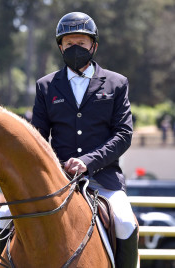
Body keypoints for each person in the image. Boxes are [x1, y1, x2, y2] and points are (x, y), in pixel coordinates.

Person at [31, 12, 138, 268]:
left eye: (81, 42)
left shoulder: (116, 83)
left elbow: (123, 134)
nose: (75, 48)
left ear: (94, 46)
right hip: (58, 180)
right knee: (4, 216)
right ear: (60, 47)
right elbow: (37, 138)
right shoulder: (46, 86)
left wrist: (87, 162)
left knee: (125, 222)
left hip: (104, 179)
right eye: (69, 44)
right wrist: (54, 169)